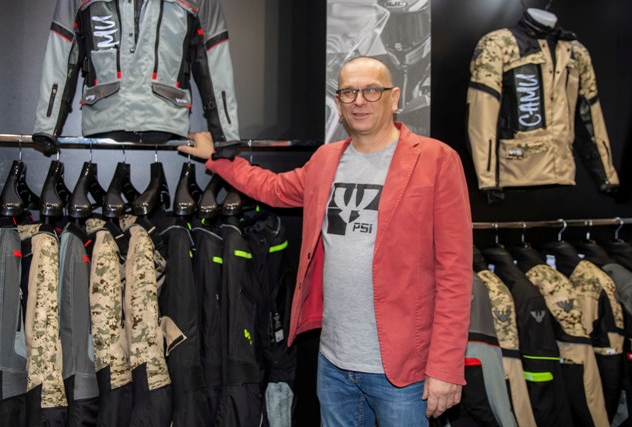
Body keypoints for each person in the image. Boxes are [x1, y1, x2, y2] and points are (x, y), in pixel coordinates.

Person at [179, 56, 473, 426]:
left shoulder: (436, 160)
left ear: (394, 97)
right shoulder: (326, 159)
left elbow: (455, 274)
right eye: (348, 92)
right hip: (334, 363)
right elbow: (274, 188)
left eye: (371, 90)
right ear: (338, 101)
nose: (359, 101)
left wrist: (446, 366)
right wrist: (217, 159)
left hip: (403, 371)